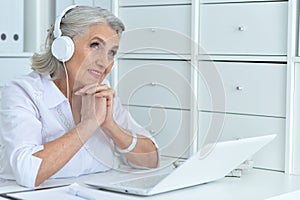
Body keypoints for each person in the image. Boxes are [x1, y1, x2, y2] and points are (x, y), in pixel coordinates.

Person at [0, 5, 159, 187]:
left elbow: (151, 161)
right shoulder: (22, 92)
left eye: (112, 52)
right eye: (95, 45)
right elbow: (28, 172)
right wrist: (89, 124)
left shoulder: (102, 93)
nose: (104, 62)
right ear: (62, 47)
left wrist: (110, 126)